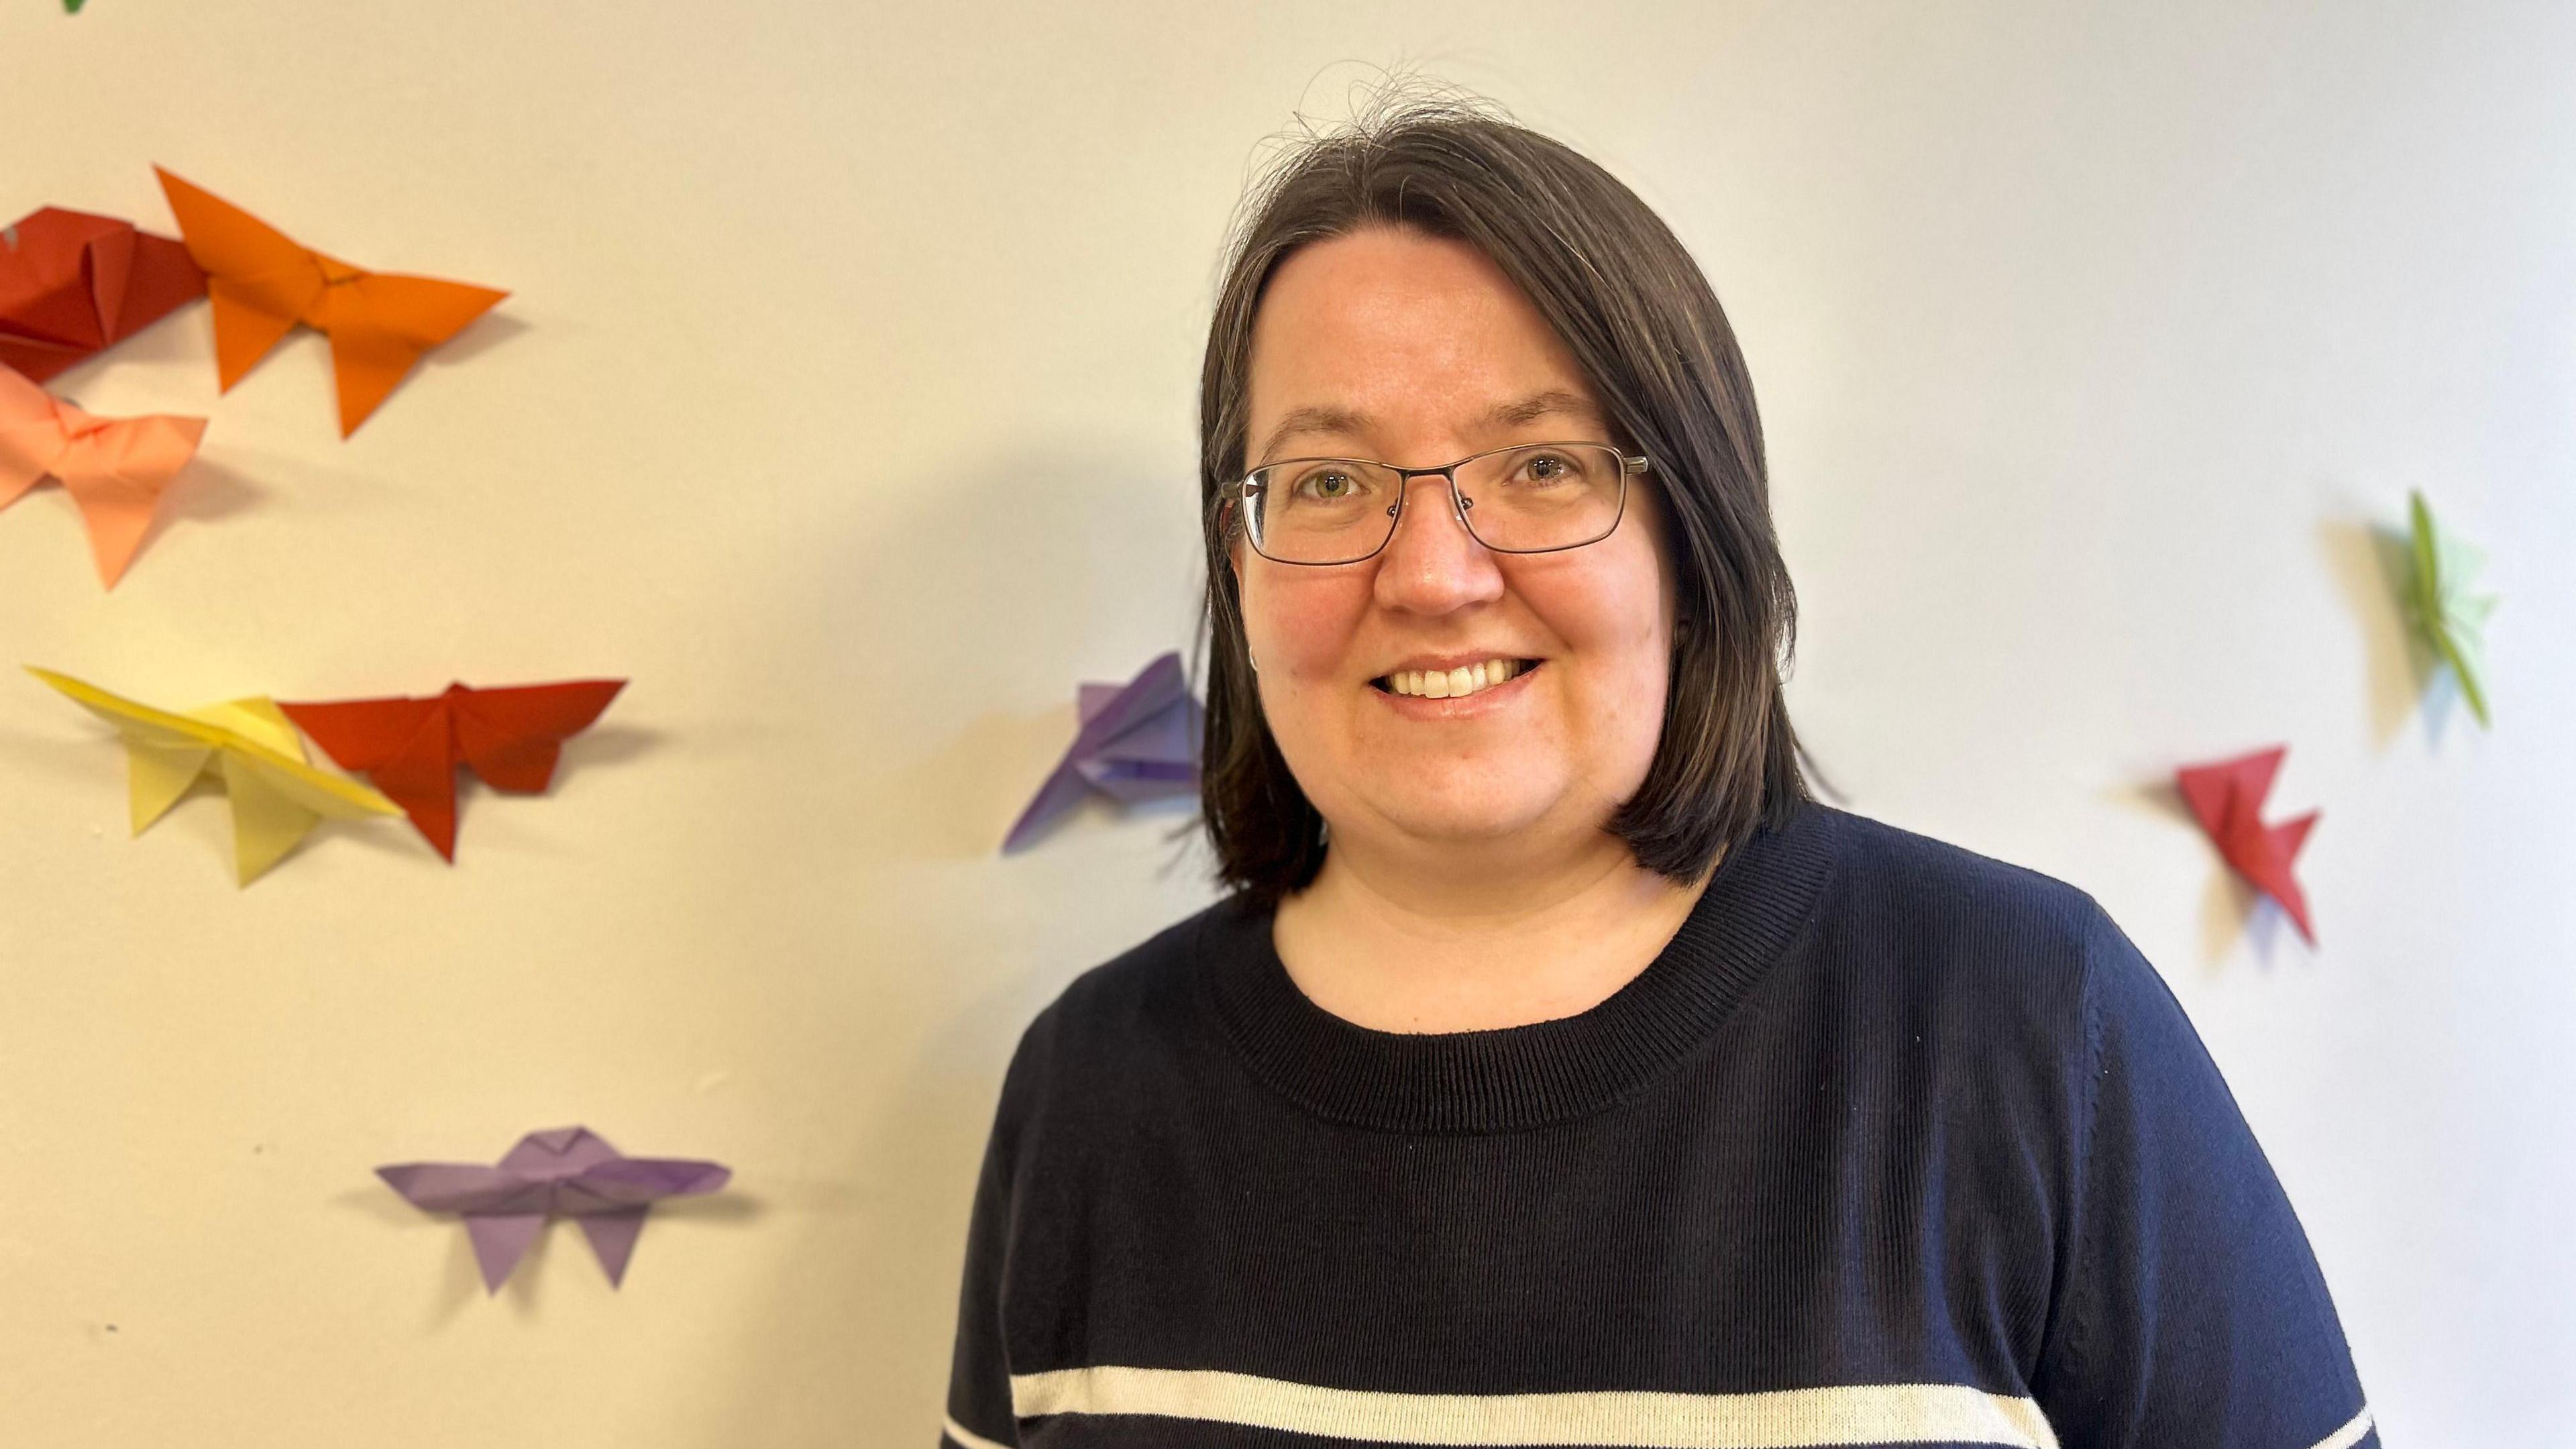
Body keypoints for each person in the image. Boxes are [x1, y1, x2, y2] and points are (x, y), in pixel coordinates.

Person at [940, 96, 2378, 1449]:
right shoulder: (1088, 1090)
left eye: (1544, 466)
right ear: (1239, 565)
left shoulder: (2030, 1023)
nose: (1433, 574)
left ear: (1696, 540)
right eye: (1325, 481)